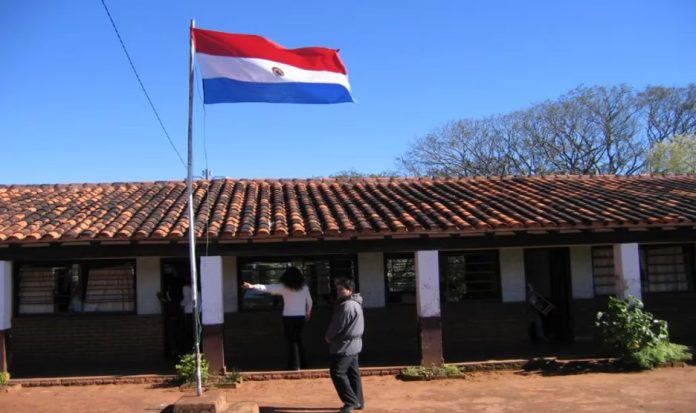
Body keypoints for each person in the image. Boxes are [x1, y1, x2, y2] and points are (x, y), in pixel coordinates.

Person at [242, 267, 313, 370]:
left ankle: (295, 365)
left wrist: (252, 286)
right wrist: (308, 312)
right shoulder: (304, 287)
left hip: (288, 317)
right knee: (298, 339)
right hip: (300, 317)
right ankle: (303, 364)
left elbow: (268, 288)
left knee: (291, 341)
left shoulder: (283, 287)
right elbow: (309, 301)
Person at [325, 278, 364, 413]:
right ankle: (358, 401)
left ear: (350, 290)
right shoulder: (355, 304)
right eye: (338, 289)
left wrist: (329, 336)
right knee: (353, 373)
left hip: (344, 345)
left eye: (341, 289)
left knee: (337, 372)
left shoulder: (347, 306)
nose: (338, 292)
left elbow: (338, 326)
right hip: (354, 344)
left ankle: (350, 401)